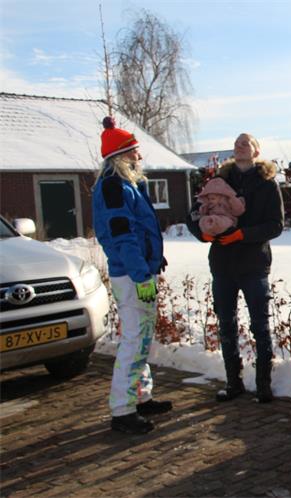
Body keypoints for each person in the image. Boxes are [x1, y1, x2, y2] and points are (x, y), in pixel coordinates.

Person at [186, 133, 284, 403]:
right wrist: (203, 233)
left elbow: (276, 225)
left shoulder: (267, 184)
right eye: (237, 143)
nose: (240, 146)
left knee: (260, 327)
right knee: (226, 326)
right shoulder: (219, 181)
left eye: (246, 143)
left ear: (256, 151)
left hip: (254, 265)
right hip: (223, 265)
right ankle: (233, 383)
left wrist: (242, 235)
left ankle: (263, 385)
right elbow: (192, 214)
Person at [92, 116, 171, 434]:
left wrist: (154, 258)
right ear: (121, 155)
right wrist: (141, 275)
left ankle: (141, 396)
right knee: (134, 340)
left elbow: (140, 230)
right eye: (134, 151)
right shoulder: (114, 187)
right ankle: (122, 410)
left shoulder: (128, 185)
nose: (139, 156)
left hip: (139, 271)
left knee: (142, 338)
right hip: (131, 276)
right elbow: (122, 236)